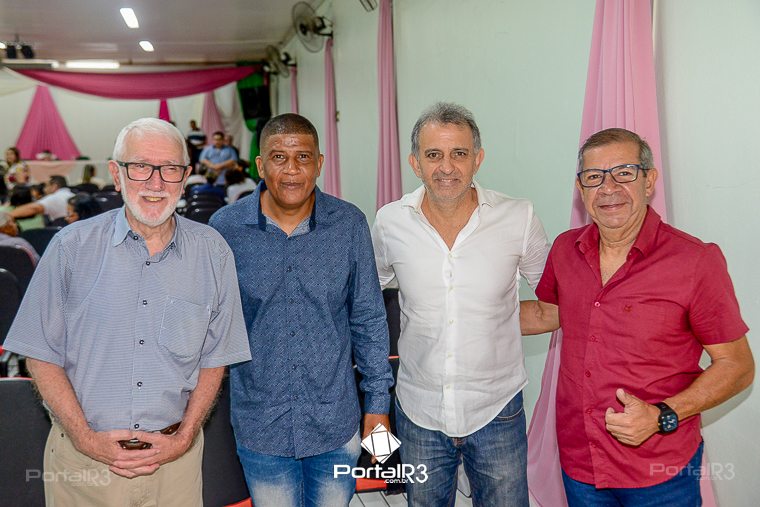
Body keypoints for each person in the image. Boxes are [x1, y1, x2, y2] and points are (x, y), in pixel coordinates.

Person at [3, 117, 251, 506]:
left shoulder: (213, 252)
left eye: (170, 169)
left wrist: (185, 436)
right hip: (83, 465)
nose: (156, 182)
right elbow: (40, 355)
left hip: (176, 466)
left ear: (185, 177)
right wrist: (85, 438)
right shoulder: (70, 248)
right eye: (140, 167)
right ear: (116, 175)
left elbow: (214, 358)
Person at [521, 128, 754, 506]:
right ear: (580, 189)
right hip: (580, 462)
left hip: (661, 471)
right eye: (594, 177)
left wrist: (663, 414)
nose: (608, 188)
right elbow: (545, 313)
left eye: (624, 173)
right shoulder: (565, 249)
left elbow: (738, 365)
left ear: (649, 181)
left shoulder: (695, 261)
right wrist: (456, 311)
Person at [209, 113, 393, 507]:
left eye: (303, 158)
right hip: (261, 425)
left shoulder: (349, 224)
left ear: (319, 163)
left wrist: (378, 409)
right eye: (279, 158)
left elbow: (369, 319)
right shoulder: (225, 228)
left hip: (336, 422)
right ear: (260, 165)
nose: (292, 170)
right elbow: (211, 325)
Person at [371, 102, 548, 507]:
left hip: (497, 409)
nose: (446, 167)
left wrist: (495, 319)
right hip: (418, 412)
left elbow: (554, 299)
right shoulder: (389, 222)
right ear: (415, 163)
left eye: (459, 153)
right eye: (434, 154)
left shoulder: (518, 217)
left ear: (478, 159)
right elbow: (366, 301)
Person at [10, 175, 74, 224]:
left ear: (54, 186)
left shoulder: (56, 197)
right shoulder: (72, 195)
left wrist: (9, 215)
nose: (44, 189)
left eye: (46, 186)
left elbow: (34, 208)